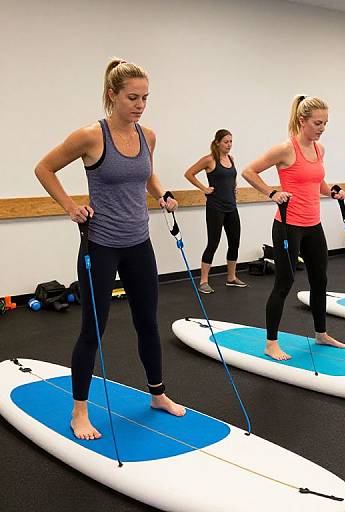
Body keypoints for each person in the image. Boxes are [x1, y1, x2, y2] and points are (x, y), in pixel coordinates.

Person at [35, 58, 185, 441]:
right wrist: (71, 206)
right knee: (93, 330)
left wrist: (162, 193)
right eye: (132, 97)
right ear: (111, 96)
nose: (140, 104)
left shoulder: (147, 135)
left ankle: (158, 394)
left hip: (139, 243)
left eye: (145, 97)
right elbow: (44, 168)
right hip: (100, 245)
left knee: (148, 323)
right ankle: (79, 412)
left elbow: (146, 171)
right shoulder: (90, 136)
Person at [242, 95, 345, 361]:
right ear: (302, 121)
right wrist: (271, 192)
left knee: (320, 280)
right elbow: (249, 171)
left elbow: (316, 184)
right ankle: (271, 342)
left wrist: (332, 190)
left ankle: (321, 334)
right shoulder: (286, 149)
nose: (322, 128)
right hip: (288, 226)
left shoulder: (319, 150)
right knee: (284, 282)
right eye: (317, 123)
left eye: (325, 123)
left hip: (314, 225)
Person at [184, 130, 247, 293]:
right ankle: (203, 281)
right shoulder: (209, 160)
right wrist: (204, 188)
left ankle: (231, 278)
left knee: (235, 243)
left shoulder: (231, 160)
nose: (229, 145)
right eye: (226, 142)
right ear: (218, 142)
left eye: (231, 142)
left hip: (231, 207)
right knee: (213, 243)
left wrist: (234, 189)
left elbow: (231, 178)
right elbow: (189, 173)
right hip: (215, 208)